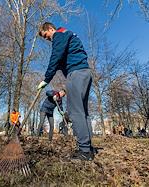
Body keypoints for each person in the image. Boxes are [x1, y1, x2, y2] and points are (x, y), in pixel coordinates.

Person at [37, 22, 95, 161]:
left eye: (46, 36)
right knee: (83, 112)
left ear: (51, 29)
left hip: (76, 74)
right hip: (85, 73)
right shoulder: (67, 34)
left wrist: (46, 79)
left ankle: (84, 151)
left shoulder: (59, 35)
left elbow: (55, 57)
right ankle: (88, 148)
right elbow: (63, 59)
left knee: (76, 112)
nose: (47, 39)